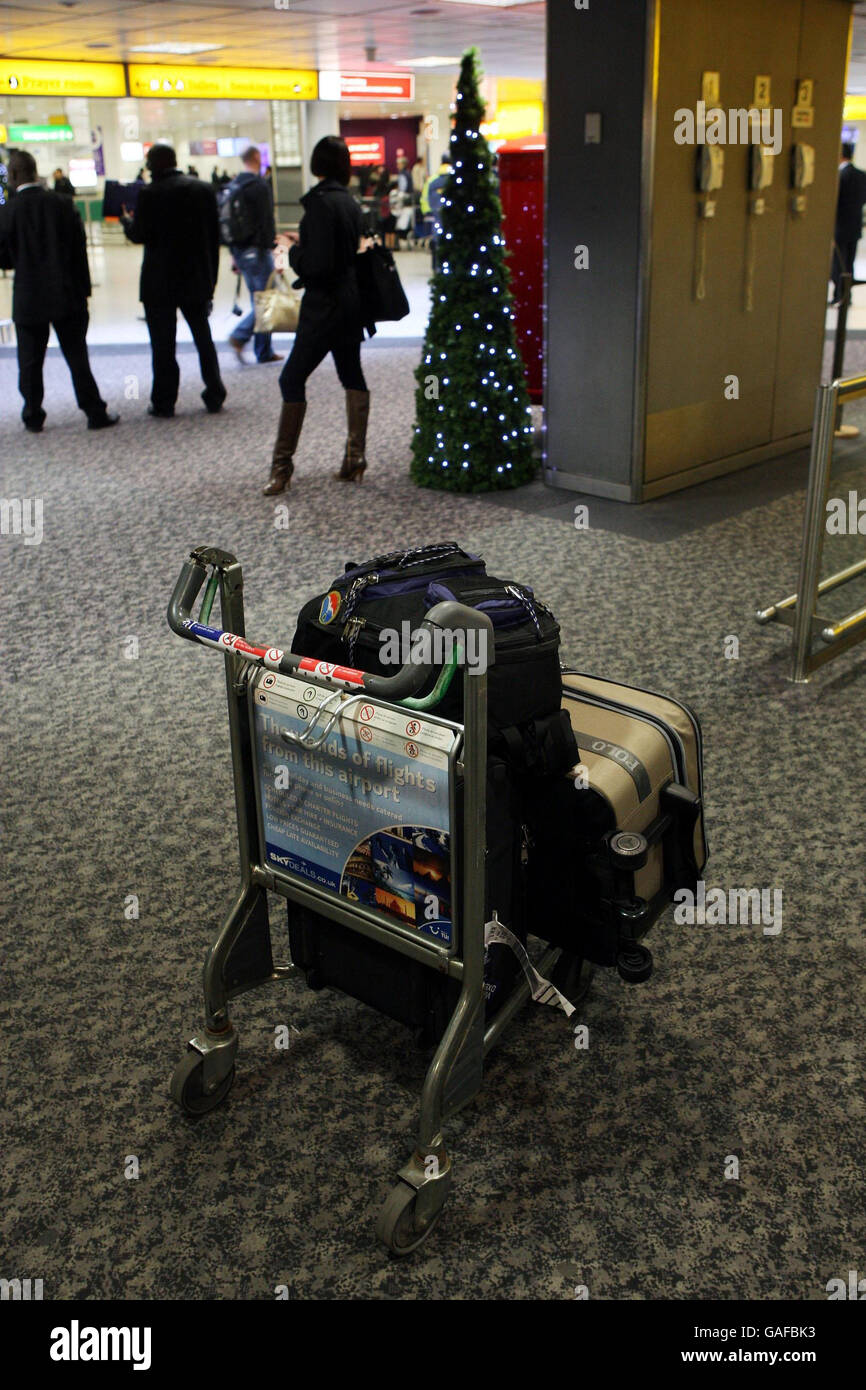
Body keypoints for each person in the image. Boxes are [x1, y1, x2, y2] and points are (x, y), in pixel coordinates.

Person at [263, 135, 373, 495]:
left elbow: (317, 266)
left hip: (322, 308)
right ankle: (354, 457)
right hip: (350, 305)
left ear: (316, 164)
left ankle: (282, 469)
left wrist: (294, 251)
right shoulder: (350, 203)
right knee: (351, 376)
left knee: (291, 379)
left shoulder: (319, 205)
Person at [0, 150, 117, 433]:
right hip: (67, 293)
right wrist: (84, 293)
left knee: (29, 361)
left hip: (28, 297)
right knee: (77, 356)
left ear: (13, 176)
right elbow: (80, 252)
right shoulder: (62, 204)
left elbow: (3, 259)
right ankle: (94, 412)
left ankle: (33, 415)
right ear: (35, 171)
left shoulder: (7, 211)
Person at [120, 143, 226, 418]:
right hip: (196, 278)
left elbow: (140, 234)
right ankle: (215, 391)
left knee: (163, 345)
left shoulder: (149, 194)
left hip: (160, 282)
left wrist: (127, 223)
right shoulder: (203, 190)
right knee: (203, 338)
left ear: (154, 165)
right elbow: (214, 237)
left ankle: (164, 401)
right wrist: (210, 279)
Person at [226, 145, 282, 365]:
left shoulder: (234, 184)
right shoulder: (259, 185)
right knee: (266, 299)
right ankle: (240, 336)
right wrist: (274, 249)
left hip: (240, 251)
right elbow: (266, 219)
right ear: (257, 158)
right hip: (257, 250)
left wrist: (234, 255)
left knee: (259, 299)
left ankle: (264, 351)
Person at [831, 143, 866, 305]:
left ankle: (839, 295)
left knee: (838, 262)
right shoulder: (862, 175)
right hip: (855, 226)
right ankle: (847, 296)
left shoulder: (839, 177)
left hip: (839, 227)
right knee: (849, 262)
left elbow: (834, 202)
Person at [422, 155, 451, 270]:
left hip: (436, 218)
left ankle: (436, 266)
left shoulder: (432, 180)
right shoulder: (455, 180)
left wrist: (428, 212)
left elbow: (425, 198)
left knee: (437, 242)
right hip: (451, 220)